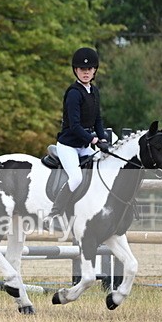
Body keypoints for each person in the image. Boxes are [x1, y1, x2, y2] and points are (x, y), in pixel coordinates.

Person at [44, 47, 110, 230]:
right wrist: (94, 140)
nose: (86, 72)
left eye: (89, 69)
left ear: (95, 70)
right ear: (76, 70)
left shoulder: (94, 91)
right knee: (76, 178)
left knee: (101, 171)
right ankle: (55, 215)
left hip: (85, 143)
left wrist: (103, 137)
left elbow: (97, 119)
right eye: (82, 69)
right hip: (69, 145)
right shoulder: (73, 93)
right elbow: (74, 126)